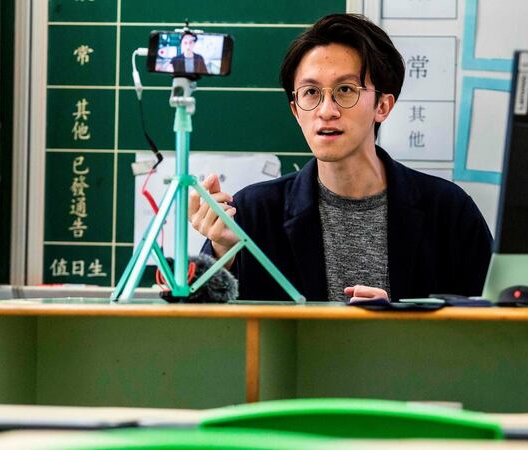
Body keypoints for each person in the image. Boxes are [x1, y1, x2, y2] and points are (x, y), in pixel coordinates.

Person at [188, 14, 492, 302]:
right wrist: (221, 253)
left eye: (345, 90)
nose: (326, 110)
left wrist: (399, 324)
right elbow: (207, 333)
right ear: (296, 110)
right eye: (310, 93)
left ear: (382, 106)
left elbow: (494, 328)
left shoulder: (449, 212)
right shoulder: (252, 214)